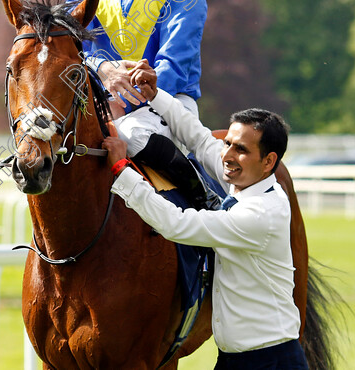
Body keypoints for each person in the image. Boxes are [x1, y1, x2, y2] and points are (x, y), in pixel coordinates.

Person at [101, 62, 307, 369]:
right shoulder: (249, 179)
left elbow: (176, 224)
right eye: (228, 144)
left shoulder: (259, 214)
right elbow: (198, 137)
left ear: (269, 161)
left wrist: (122, 171)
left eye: (241, 149)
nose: (227, 155)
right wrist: (155, 96)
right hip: (234, 359)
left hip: (269, 361)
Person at [66, 0, 216, 209]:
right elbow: (72, 52)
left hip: (168, 103)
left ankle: (206, 197)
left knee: (132, 135)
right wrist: (103, 69)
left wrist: (129, 95)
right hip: (103, 103)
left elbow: (174, 64)